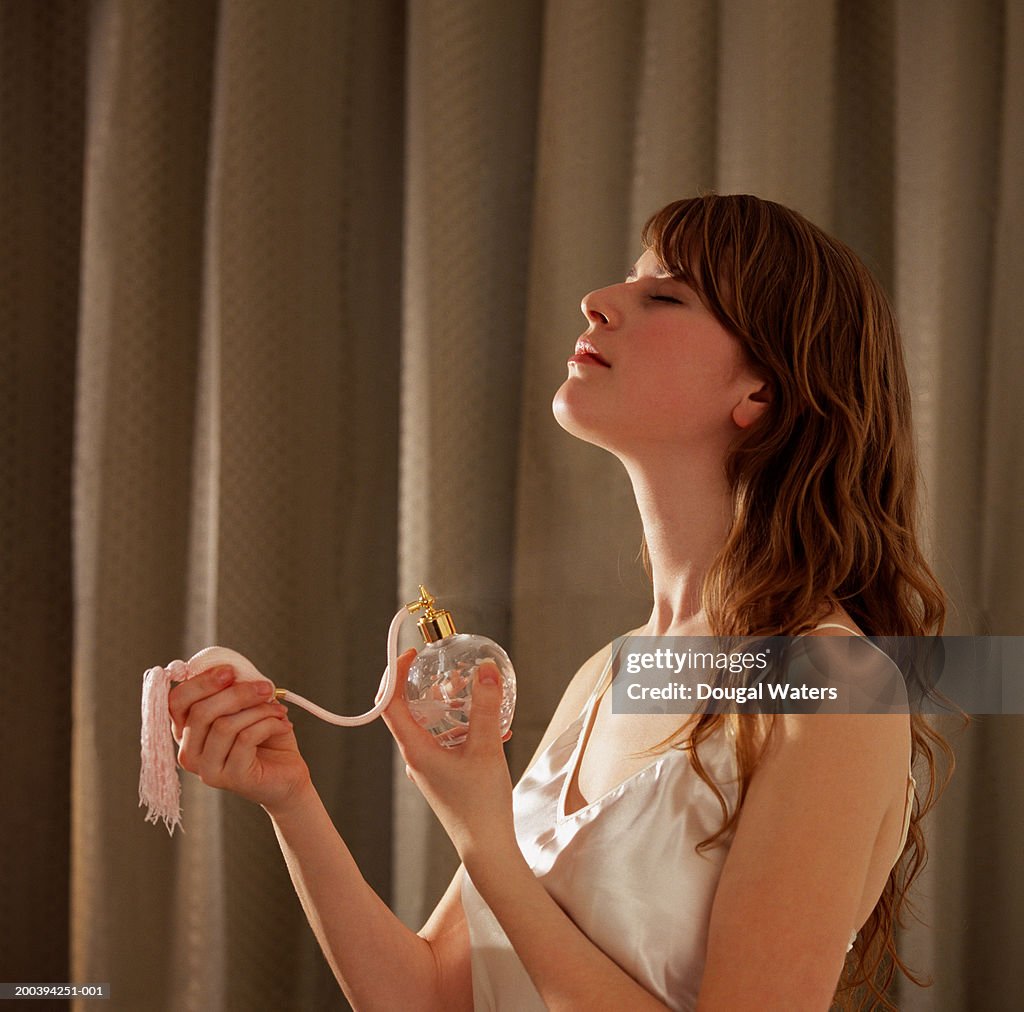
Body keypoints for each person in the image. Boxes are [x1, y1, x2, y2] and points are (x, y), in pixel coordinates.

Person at [169, 193, 952, 1010]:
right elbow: (427, 997)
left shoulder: (834, 682)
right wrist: (289, 797)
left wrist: (484, 839)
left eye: (665, 295)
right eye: (628, 281)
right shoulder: (606, 678)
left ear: (759, 394)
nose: (598, 302)